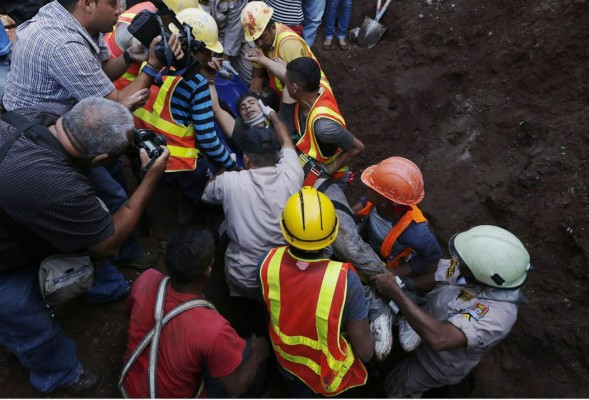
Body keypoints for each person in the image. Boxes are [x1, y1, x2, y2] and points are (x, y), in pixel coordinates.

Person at [0, 97, 170, 395]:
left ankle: (103, 291)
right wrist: (150, 179)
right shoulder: (57, 187)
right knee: (26, 321)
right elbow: (107, 243)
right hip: (5, 262)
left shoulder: (34, 116)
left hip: (14, 211)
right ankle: (59, 374)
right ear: (100, 158)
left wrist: (113, 117)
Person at [372, 225, 531, 398]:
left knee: (401, 385)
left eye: (463, 265)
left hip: (434, 363)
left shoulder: (497, 314)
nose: (456, 263)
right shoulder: (470, 267)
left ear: (483, 274)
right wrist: (406, 283)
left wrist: (396, 293)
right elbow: (439, 277)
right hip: (418, 328)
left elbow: (441, 339)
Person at [120, 227, 270, 398]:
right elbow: (235, 387)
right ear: (208, 270)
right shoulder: (213, 328)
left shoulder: (146, 279)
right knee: (249, 350)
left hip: (131, 389)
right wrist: (258, 354)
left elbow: (130, 315)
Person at [259, 187, 374, 396]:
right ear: (331, 237)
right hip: (325, 376)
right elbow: (365, 352)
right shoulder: (345, 280)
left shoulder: (267, 263)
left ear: (285, 232)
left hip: (285, 363)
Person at [131, 8, 239, 211]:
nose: (210, 57)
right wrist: (233, 166)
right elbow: (208, 140)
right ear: (191, 46)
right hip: (177, 163)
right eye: (207, 51)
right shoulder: (196, 84)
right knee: (215, 196)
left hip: (143, 149)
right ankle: (193, 206)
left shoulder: (154, 62)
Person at [3, 0, 183, 111]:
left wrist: (128, 56)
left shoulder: (71, 16)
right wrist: (153, 65)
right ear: (88, 4)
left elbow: (101, 69)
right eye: (112, 3)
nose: (119, 10)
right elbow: (116, 107)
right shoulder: (66, 46)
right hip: (36, 139)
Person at [201, 105, 304, 300]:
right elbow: (287, 142)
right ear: (277, 156)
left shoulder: (230, 181)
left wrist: (226, 168)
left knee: (215, 216)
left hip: (243, 278)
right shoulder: (292, 172)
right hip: (282, 275)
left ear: (246, 159)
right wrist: (272, 114)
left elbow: (206, 193)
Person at [356, 156, 442, 277]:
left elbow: (433, 255)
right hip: (369, 236)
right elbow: (362, 205)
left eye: (372, 188)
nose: (367, 187)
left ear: (385, 201)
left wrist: (396, 272)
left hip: (383, 258)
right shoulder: (382, 200)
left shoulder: (414, 231)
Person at [240, 1, 327, 98]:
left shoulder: (288, 46)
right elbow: (257, 65)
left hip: (311, 95)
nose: (259, 43)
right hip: (288, 90)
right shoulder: (263, 37)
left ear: (272, 28)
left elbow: (298, 85)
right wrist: (256, 80)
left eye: (262, 38)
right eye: (255, 40)